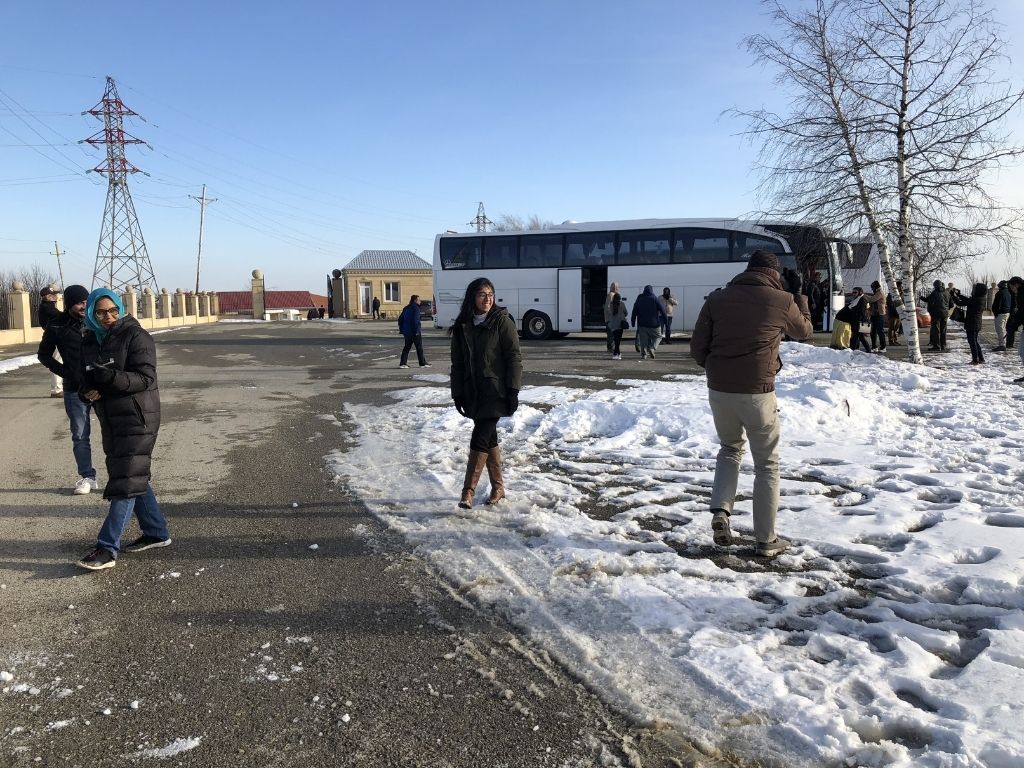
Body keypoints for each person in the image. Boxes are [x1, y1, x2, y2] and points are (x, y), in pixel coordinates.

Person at [689, 250, 813, 557]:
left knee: (730, 449)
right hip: (758, 392)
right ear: (775, 273)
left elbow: (697, 349)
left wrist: (719, 370)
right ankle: (765, 540)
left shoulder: (717, 299)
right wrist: (799, 296)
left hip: (720, 391)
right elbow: (805, 332)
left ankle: (721, 511)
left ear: (748, 269)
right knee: (767, 465)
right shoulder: (782, 301)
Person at [76, 288, 171, 570]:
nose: (108, 317)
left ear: (120, 308)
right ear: (92, 313)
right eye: (101, 312)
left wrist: (109, 378)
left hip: (138, 417)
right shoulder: (90, 339)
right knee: (132, 474)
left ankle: (107, 548)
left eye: (113, 310)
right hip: (111, 417)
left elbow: (144, 377)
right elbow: (84, 377)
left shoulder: (136, 335)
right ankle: (157, 532)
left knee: (125, 480)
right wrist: (87, 389)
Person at [449, 278, 522, 508]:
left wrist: (513, 390)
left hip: (496, 391)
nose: (488, 298)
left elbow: (514, 357)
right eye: (482, 294)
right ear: (472, 297)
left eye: (490, 294)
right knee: (489, 439)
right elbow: (457, 363)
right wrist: (457, 392)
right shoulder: (463, 326)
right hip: (474, 392)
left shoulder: (502, 322)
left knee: (479, 437)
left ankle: (467, 492)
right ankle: (498, 488)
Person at [37, 284, 98, 495]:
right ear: (70, 303)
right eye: (80, 302)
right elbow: (43, 355)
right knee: (80, 435)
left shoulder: (96, 321)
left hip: (103, 387)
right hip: (75, 389)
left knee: (114, 432)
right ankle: (87, 476)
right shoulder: (56, 325)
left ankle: (120, 475)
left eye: (86, 302)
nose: (84, 306)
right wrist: (66, 373)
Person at [951, 283, 988, 364]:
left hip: (972, 323)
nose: (973, 291)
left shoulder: (976, 299)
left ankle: (975, 359)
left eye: (975, 289)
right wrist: (959, 295)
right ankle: (981, 358)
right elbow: (967, 300)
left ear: (978, 290)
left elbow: (960, 303)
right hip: (976, 322)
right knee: (974, 341)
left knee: (972, 341)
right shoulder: (981, 298)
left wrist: (953, 296)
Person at [38, 286, 64, 397]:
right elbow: (61, 317)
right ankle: (56, 390)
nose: (56, 296)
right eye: (54, 294)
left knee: (61, 360)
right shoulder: (47, 308)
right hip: (54, 337)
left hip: (56, 336)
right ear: (48, 297)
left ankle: (59, 387)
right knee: (57, 362)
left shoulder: (49, 307)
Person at [631, 285, 666, 360]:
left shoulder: (639, 298)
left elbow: (634, 311)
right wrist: (666, 321)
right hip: (654, 324)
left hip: (642, 324)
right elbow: (663, 311)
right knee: (659, 336)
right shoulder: (654, 298)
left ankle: (644, 355)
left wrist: (633, 322)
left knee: (643, 340)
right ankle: (652, 348)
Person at [397, 295, 430, 369]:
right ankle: (422, 363)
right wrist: (417, 330)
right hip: (414, 331)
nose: (420, 301)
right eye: (419, 300)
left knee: (407, 347)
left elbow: (400, 320)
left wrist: (402, 330)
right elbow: (416, 320)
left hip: (407, 332)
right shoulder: (416, 308)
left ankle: (403, 363)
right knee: (419, 347)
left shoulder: (406, 308)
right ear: (415, 300)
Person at [925, 280, 951, 351]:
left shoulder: (934, 293)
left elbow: (930, 302)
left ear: (935, 286)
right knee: (943, 330)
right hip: (945, 313)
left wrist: (930, 311)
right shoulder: (947, 293)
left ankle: (936, 346)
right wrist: (946, 308)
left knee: (936, 330)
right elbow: (951, 304)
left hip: (936, 314)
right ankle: (943, 346)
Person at [864, 280, 887, 352]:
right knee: (873, 331)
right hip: (874, 314)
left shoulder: (879, 292)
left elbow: (872, 299)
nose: (871, 289)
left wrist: (863, 295)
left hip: (879, 314)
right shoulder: (876, 292)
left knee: (880, 331)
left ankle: (883, 347)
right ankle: (874, 347)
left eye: (872, 287)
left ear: (875, 287)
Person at [606, 293, 629, 360]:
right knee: (618, 340)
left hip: (613, 325)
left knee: (616, 340)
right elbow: (626, 313)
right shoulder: (622, 304)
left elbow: (609, 312)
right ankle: (616, 354)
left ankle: (617, 353)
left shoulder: (610, 304)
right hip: (620, 324)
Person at [991, 280, 1011, 352]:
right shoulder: (1009, 293)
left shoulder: (1000, 293)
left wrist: (995, 313)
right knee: (1003, 329)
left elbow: (997, 305)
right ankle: (1003, 343)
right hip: (1007, 313)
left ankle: (1002, 345)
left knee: (1000, 330)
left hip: (1001, 313)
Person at [603, 281, 621, 353]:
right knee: (611, 334)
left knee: (612, 333)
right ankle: (610, 348)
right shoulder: (611, 295)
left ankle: (611, 347)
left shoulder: (614, 294)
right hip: (610, 318)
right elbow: (608, 307)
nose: (618, 288)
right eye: (617, 287)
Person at [886, 281, 904, 345]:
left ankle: (895, 340)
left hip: (899, 314)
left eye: (902, 286)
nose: (901, 288)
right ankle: (891, 341)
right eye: (900, 287)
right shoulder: (891, 294)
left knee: (896, 328)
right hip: (893, 314)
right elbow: (890, 304)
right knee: (892, 328)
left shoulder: (902, 294)